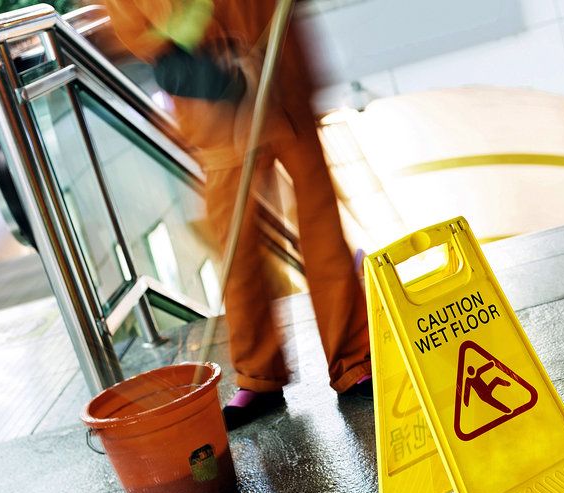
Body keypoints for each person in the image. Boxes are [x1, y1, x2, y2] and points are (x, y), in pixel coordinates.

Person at [104, 0, 372, 430]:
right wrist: (181, 48)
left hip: (280, 72)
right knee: (237, 246)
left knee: (321, 230)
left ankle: (354, 359)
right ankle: (259, 374)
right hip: (216, 100)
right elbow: (129, 16)